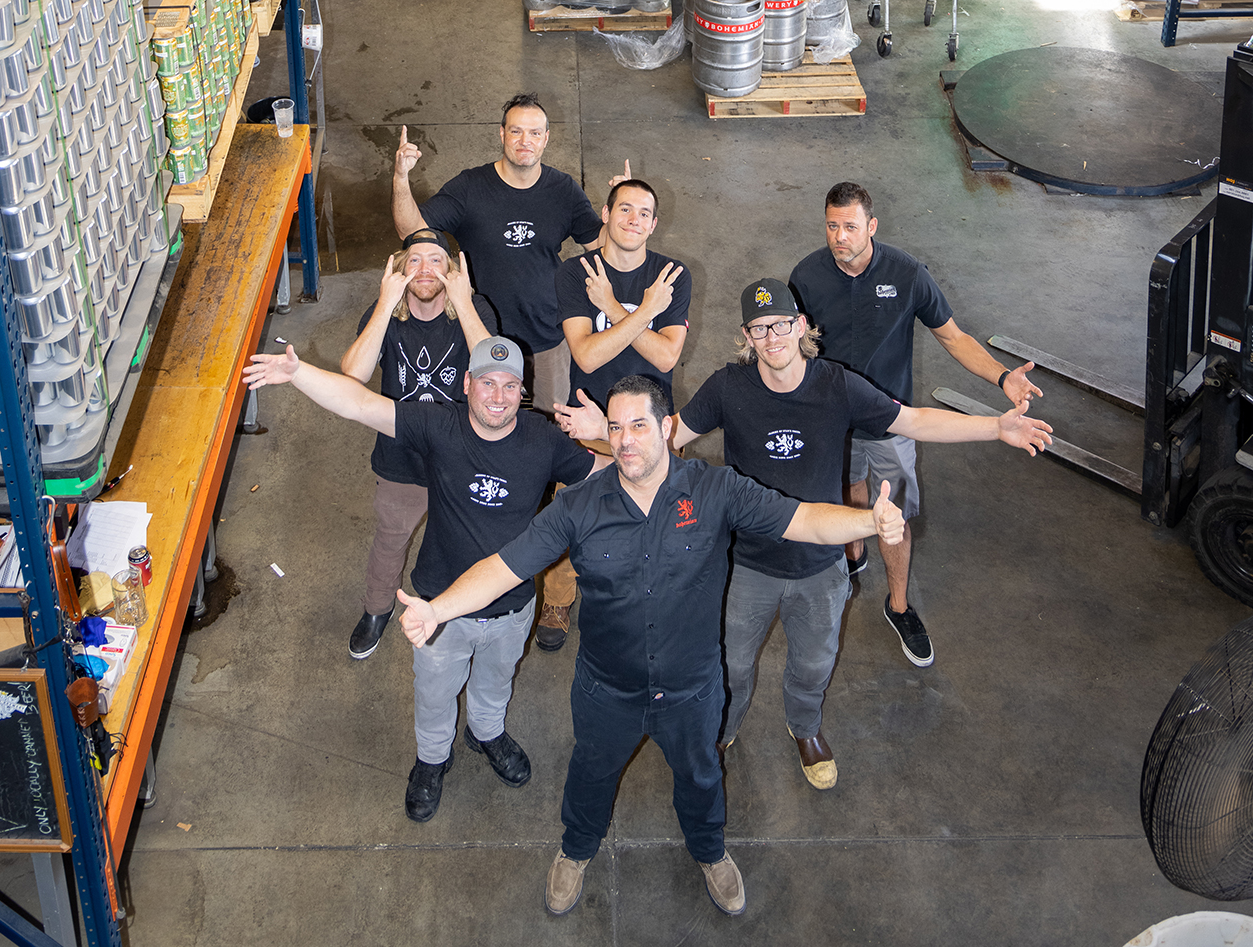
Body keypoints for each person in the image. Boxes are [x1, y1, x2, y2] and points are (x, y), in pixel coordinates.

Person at [396, 374, 905, 919]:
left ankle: (710, 851)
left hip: (692, 691)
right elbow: (505, 566)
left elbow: (802, 519)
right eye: (615, 428)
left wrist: (868, 522)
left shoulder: (716, 489)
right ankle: (576, 849)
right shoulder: (578, 506)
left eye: (639, 425)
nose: (625, 440)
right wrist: (439, 609)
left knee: (701, 776)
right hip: (606, 691)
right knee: (590, 774)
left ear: (666, 429)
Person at [671, 279, 1052, 788]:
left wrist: (994, 427)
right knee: (730, 665)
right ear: (746, 336)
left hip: (820, 563)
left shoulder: (837, 385)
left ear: (801, 326)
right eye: (758, 329)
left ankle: (805, 727)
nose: (771, 338)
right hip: (746, 563)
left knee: (813, 664)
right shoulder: (727, 387)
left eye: (780, 324)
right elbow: (669, 434)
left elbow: (914, 421)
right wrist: (607, 432)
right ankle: (722, 730)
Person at [241, 332, 602, 825]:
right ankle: (432, 759)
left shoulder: (544, 440)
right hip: (439, 608)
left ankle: (487, 732)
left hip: (513, 606)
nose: (498, 396)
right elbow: (360, 405)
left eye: (510, 385)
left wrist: (609, 430)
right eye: (488, 382)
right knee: (434, 693)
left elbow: (613, 473)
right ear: (467, 383)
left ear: (523, 391)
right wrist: (299, 373)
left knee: (496, 682)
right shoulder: (438, 425)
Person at [790, 180, 1043, 669]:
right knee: (846, 490)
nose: (839, 237)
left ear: (872, 226)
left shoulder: (907, 274)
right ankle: (852, 554)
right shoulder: (805, 276)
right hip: (832, 420)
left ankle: (899, 606)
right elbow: (792, 346)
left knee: (895, 518)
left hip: (892, 421)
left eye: (850, 227)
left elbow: (953, 337)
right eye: (832, 226)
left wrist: (1003, 376)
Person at [533, 177, 690, 656]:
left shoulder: (672, 275)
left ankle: (652, 601)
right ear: (605, 214)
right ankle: (557, 600)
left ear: (654, 224)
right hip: (589, 419)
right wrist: (643, 313)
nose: (633, 220)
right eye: (624, 209)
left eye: (644, 213)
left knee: (659, 520)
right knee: (572, 513)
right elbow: (586, 354)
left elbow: (666, 357)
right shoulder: (576, 272)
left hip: (652, 424)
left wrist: (612, 308)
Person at [391, 95, 609, 415]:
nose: (525, 141)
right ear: (502, 134)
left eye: (535, 133)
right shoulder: (470, 187)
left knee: (551, 424)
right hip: (481, 334)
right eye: (516, 131)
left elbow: (599, 245)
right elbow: (410, 232)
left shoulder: (563, 190)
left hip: (547, 336)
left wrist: (623, 212)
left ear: (546, 138)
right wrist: (400, 178)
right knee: (487, 422)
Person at [339, 232, 494, 661]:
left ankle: (461, 606)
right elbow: (353, 375)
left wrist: (463, 301)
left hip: (460, 455)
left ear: (452, 271)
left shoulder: (475, 309)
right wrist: (386, 303)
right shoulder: (386, 313)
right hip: (401, 456)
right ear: (399, 270)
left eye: (436, 260)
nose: (425, 269)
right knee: (390, 538)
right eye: (414, 260)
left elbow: (493, 369)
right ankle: (377, 608)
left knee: (466, 538)